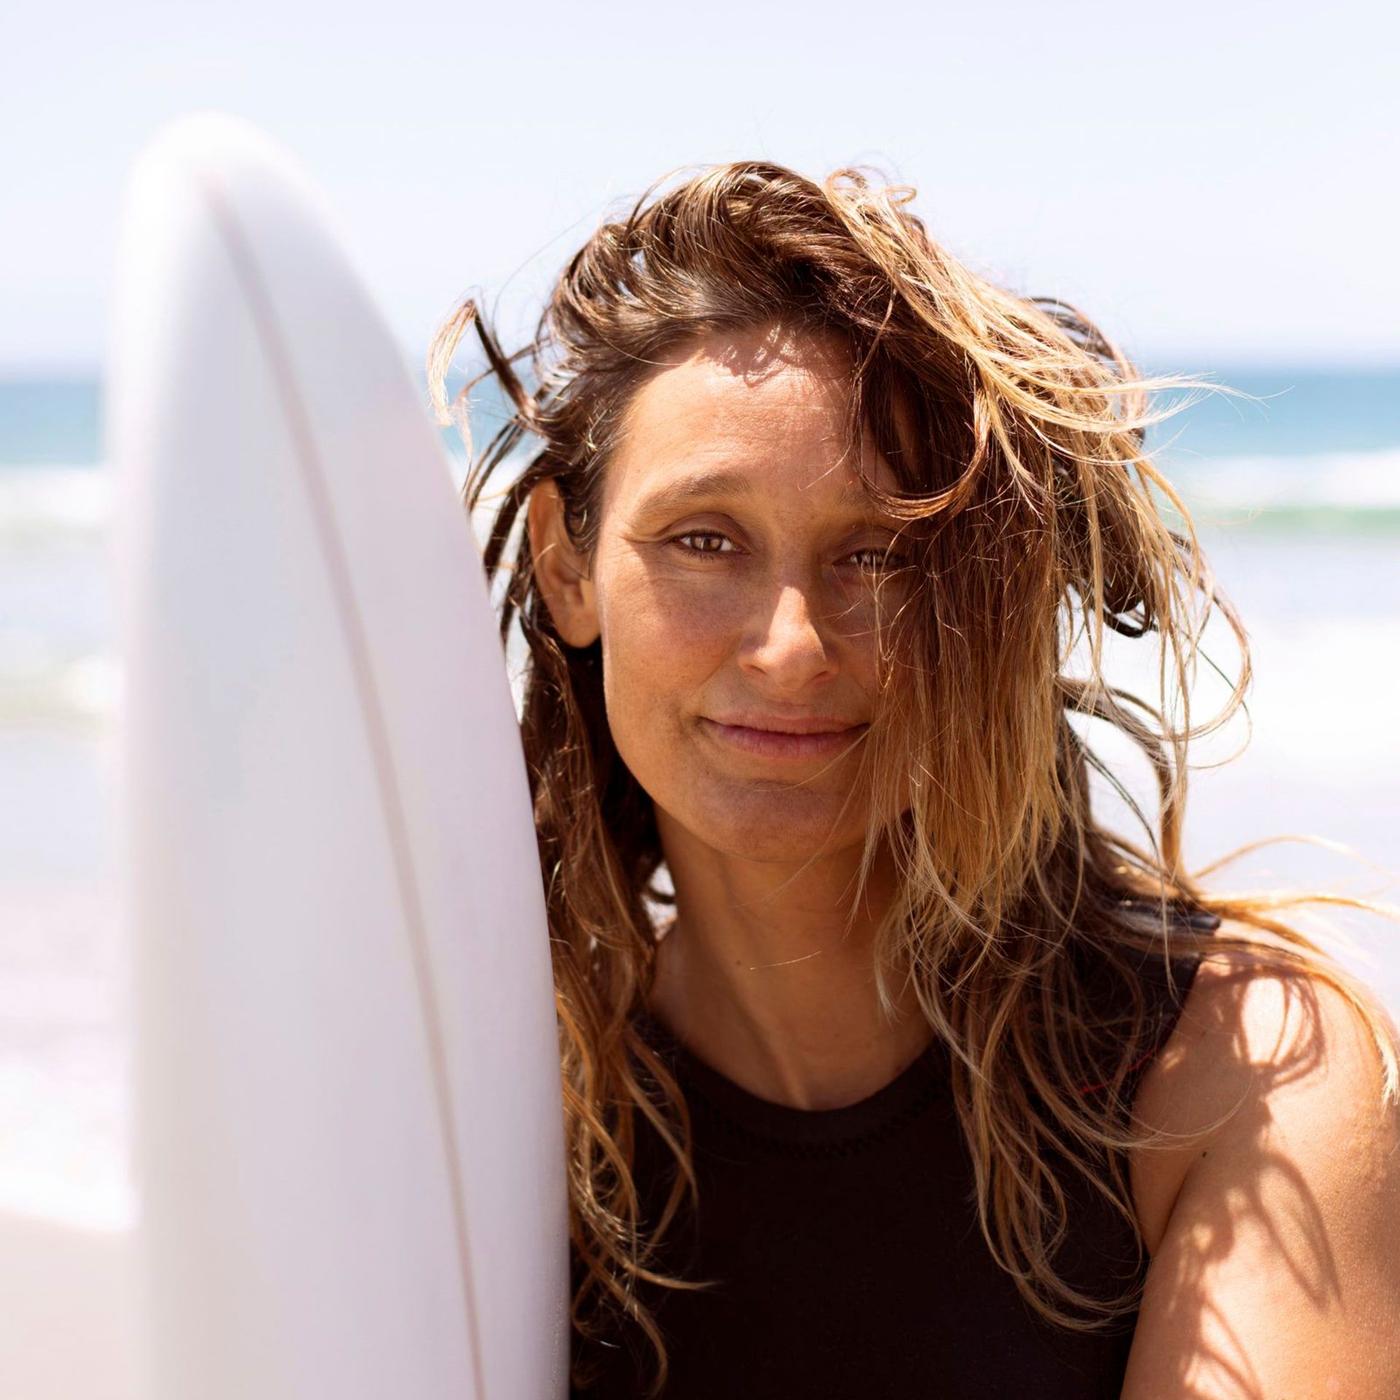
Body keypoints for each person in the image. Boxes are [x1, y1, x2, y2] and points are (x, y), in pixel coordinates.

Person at [427, 161, 1400, 1398]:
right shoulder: (526, 1130)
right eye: (702, 540)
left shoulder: (1234, 1081)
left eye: (880, 553)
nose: (790, 646)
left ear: (981, 595)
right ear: (570, 569)